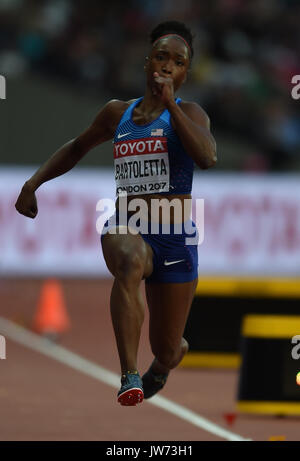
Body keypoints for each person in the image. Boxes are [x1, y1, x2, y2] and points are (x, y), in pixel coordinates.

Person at [15, 20, 217, 406]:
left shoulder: (191, 113)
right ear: (147, 63)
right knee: (129, 259)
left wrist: (171, 104)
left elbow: (207, 157)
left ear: (185, 73)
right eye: (161, 56)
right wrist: (33, 183)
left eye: (178, 61)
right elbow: (76, 146)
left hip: (175, 236)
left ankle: (161, 365)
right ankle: (129, 375)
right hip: (128, 221)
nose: (168, 65)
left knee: (169, 347)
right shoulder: (117, 113)